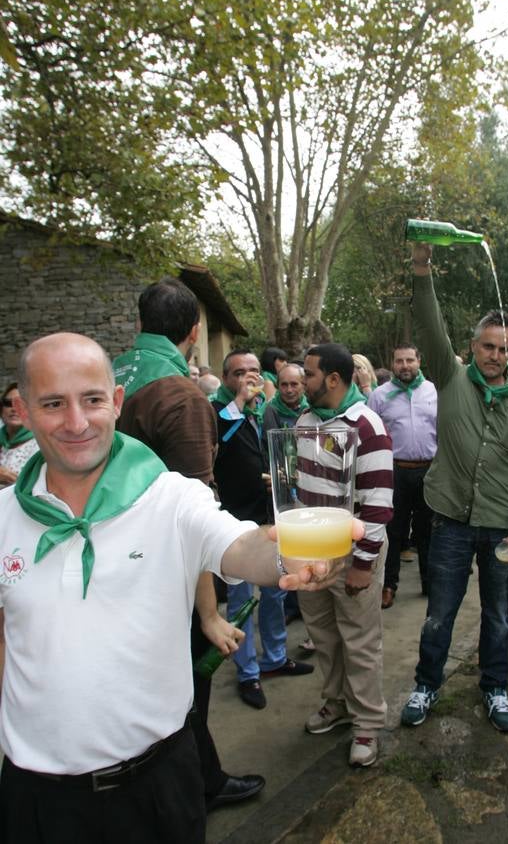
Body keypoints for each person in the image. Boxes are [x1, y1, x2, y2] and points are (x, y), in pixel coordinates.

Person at [0, 332, 346, 844]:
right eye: (53, 404)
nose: (76, 422)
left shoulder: (170, 497)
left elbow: (240, 546)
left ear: (116, 403)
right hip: (36, 799)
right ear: (23, 411)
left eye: (92, 399)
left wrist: (289, 554)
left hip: (159, 788)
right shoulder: (4, 515)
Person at [114, 278, 264, 812]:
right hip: (161, 576)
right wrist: (207, 613)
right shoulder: (179, 394)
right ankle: (198, 786)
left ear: (138, 325)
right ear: (195, 332)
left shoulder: (113, 377)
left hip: (110, 568)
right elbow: (191, 516)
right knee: (185, 689)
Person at [400, 240, 508, 734]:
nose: (496, 355)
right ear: (472, 348)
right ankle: (426, 684)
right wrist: (422, 269)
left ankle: (495, 688)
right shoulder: (450, 377)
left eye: (504, 348)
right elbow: (429, 325)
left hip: (503, 524)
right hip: (450, 523)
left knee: (499, 616)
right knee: (439, 614)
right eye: (488, 346)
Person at [297, 343, 393, 767]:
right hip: (310, 553)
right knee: (323, 635)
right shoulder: (304, 420)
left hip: (351, 555)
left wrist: (363, 564)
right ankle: (336, 704)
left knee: (359, 641)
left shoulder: (366, 426)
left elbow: (377, 503)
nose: (302, 382)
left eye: (309, 375)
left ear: (333, 379)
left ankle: (367, 725)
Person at [212, 349, 313, 710]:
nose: (250, 378)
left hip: (269, 514)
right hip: (236, 521)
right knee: (241, 599)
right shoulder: (218, 409)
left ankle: (274, 657)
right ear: (226, 378)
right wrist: (241, 398)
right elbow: (222, 435)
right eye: (240, 373)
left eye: (254, 371)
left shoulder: (261, 412)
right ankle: (247, 672)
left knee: (275, 590)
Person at [368, 344, 437, 605]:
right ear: (392, 363)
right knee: (393, 531)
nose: (405, 365)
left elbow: (442, 431)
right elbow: (371, 436)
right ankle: (389, 586)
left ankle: (430, 583)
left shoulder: (433, 391)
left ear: (419, 361)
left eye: (410, 360)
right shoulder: (378, 396)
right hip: (393, 471)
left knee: (427, 530)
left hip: (429, 470)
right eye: (399, 361)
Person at [262, 363, 309, 626]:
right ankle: (292, 603)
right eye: (284, 385)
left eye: (295, 384)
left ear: (303, 385)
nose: (289, 390)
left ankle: (306, 601)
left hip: (307, 485)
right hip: (281, 487)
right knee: (288, 545)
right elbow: (268, 449)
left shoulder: (310, 409)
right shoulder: (270, 411)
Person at [0, 382, 39, 488]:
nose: (14, 408)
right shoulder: (2, 440)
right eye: (8, 403)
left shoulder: (40, 444)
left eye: (21, 404)